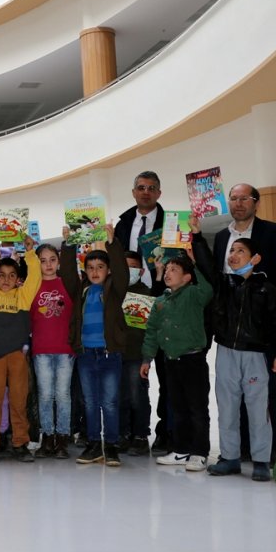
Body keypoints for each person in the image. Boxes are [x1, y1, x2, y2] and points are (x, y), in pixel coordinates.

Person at [212, 183, 276, 459]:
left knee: (265, 389)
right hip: (230, 327)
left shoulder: (272, 232)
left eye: (244, 198)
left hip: (262, 324)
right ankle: (241, 450)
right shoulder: (222, 236)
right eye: (233, 199)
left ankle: (269, 450)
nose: (238, 203)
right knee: (233, 391)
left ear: (255, 202)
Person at [199, 235, 276, 482]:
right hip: (226, 353)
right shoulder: (224, 284)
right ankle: (230, 458)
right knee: (227, 407)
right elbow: (207, 265)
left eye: (240, 251)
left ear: (255, 258)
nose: (234, 255)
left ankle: (261, 460)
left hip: (256, 355)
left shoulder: (266, 289)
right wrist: (197, 236)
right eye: (232, 250)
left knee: (258, 408)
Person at [141, 223, 214, 473]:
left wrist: (195, 264)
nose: (169, 272)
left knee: (196, 408)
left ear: (187, 277)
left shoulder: (194, 294)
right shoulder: (160, 301)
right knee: (177, 407)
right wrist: (147, 359)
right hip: (171, 361)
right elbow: (151, 332)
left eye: (175, 269)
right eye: (168, 269)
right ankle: (181, 449)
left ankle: (200, 452)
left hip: (192, 361)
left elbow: (208, 290)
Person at [113, 170, 170, 455]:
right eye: (141, 187)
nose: (146, 192)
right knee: (132, 380)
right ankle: (129, 433)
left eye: (151, 188)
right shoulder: (124, 223)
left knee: (167, 381)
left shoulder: (171, 224)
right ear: (133, 192)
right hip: (129, 307)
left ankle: (163, 434)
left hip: (161, 301)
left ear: (159, 193)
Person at [61, 224, 127, 467]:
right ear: (85, 271)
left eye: (100, 267)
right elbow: (67, 273)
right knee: (89, 401)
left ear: (108, 270)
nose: (95, 271)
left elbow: (122, 273)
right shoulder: (81, 290)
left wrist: (112, 243)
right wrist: (68, 246)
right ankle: (92, 444)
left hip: (110, 355)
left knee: (109, 402)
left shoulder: (114, 289)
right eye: (90, 268)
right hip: (86, 355)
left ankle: (111, 445)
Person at [0, 237, 40, 463]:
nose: (6, 279)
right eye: (1, 275)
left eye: (11, 276)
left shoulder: (23, 297)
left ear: (17, 279)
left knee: (18, 400)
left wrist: (31, 254)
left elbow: (35, 279)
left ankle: (20, 443)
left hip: (17, 357)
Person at [29, 243, 75, 459]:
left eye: (52, 260)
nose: (48, 264)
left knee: (63, 395)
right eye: (43, 260)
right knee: (45, 395)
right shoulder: (32, 285)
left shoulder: (67, 283)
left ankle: (63, 438)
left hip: (65, 349)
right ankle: (47, 437)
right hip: (41, 350)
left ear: (59, 261)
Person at [119, 251, 164, 456]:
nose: (129, 271)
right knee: (119, 397)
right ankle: (122, 434)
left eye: (134, 267)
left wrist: (148, 356)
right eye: (125, 266)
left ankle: (140, 435)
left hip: (137, 355)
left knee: (137, 396)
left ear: (142, 270)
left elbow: (153, 327)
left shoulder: (146, 294)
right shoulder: (112, 290)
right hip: (114, 354)